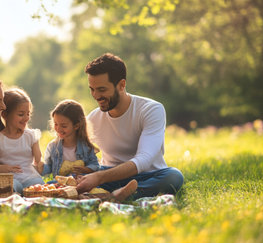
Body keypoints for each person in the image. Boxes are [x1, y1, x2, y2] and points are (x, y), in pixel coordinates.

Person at [76, 53, 184, 199]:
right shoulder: (93, 119)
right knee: (67, 179)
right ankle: (112, 195)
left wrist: (99, 177)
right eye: (92, 89)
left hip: (146, 176)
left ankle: (115, 195)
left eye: (102, 90)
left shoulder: (151, 109)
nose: (95, 95)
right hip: (109, 177)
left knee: (173, 177)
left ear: (121, 85)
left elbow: (144, 159)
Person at [0, 88, 45, 193]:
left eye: (28, 114)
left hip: (30, 177)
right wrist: (4, 168)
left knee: (39, 187)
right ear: (5, 115)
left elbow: (38, 160)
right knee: (10, 188)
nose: (26, 118)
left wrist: (41, 164)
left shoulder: (30, 135)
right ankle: (16, 196)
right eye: (21, 114)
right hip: (11, 179)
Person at [40, 99, 100, 178]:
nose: (58, 129)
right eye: (56, 124)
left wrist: (85, 169)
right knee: (51, 183)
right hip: (60, 183)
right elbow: (48, 168)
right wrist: (39, 166)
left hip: (81, 182)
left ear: (76, 126)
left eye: (64, 126)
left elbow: (95, 165)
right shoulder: (53, 146)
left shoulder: (86, 147)